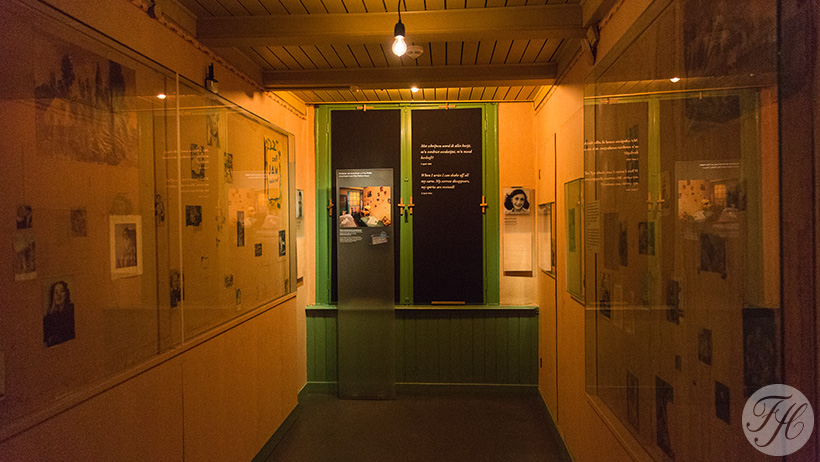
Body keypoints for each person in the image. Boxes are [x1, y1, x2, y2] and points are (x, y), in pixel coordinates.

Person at [44, 280, 75, 347]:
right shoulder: (49, 317)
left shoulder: (72, 310)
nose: (58, 295)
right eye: (56, 292)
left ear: (66, 294)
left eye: (62, 291)